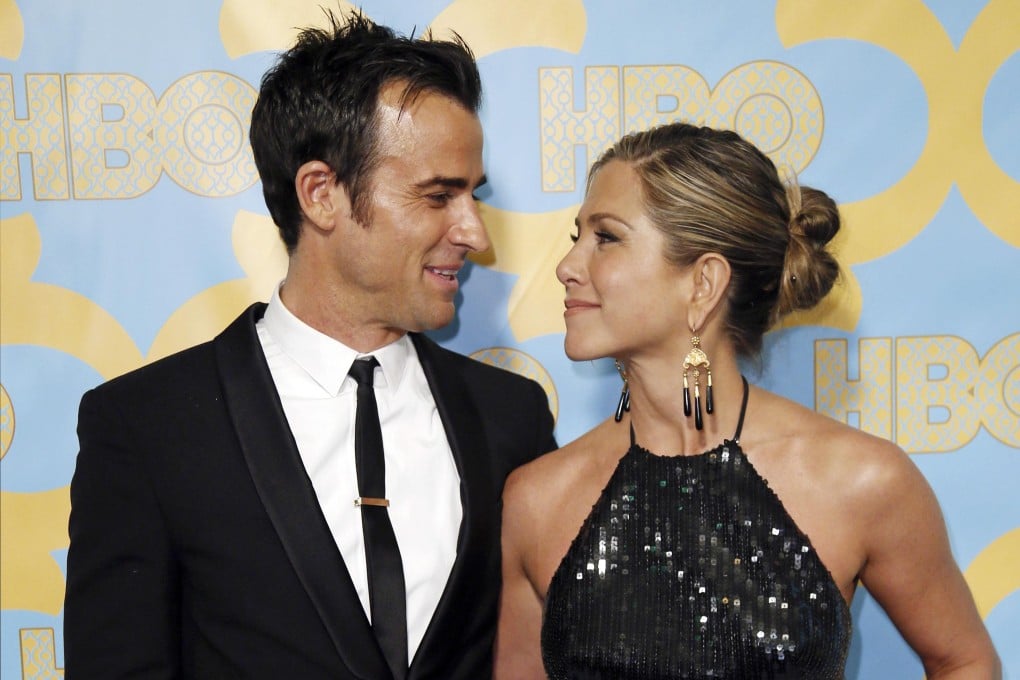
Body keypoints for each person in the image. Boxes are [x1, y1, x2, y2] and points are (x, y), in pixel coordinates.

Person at [64, 11, 556, 680]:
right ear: (321, 194)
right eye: (439, 196)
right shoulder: (149, 426)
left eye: (473, 196)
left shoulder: (512, 416)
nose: (474, 232)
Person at [494, 122, 1000, 679]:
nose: (568, 267)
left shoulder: (861, 481)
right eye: (577, 238)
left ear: (704, 282)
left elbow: (964, 660)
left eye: (606, 238)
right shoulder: (537, 500)